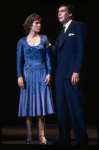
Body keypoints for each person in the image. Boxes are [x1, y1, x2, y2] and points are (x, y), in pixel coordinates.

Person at [52, 3, 88, 145]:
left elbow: (81, 50)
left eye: (62, 11)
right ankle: (63, 138)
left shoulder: (78, 26)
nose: (59, 13)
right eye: (58, 12)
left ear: (70, 14)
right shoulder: (62, 32)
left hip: (72, 74)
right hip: (59, 75)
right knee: (61, 109)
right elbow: (56, 53)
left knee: (76, 108)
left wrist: (76, 71)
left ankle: (81, 138)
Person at [17, 13, 54, 144]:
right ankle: (29, 135)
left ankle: (41, 134)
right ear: (30, 25)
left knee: (41, 104)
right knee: (28, 105)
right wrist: (19, 76)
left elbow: (48, 57)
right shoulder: (22, 41)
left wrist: (49, 73)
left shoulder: (44, 40)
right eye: (36, 23)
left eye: (39, 23)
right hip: (27, 75)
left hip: (41, 74)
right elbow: (19, 60)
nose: (39, 25)